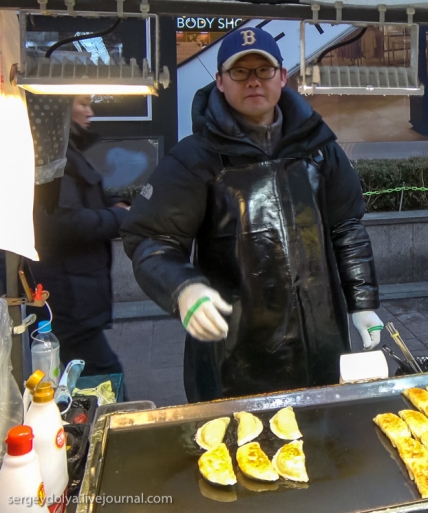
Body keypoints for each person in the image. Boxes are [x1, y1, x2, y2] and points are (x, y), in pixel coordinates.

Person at [120, 27, 384, 402]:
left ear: (282, 76)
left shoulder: (320, 149)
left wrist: (363, 302)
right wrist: (183, 288)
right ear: (220, 82)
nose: (253, 81)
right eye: (240, 72)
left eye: (263, 70)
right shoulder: (195, 158)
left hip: (321, 344)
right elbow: (151, 238)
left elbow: (346, 227)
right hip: (233, 357)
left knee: (324, 443)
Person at [29, 95, 129, 381]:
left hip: (75, 296)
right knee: (104, 377)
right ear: (61, 107)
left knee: (85, 378)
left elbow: (81, 204)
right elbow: (63, 221)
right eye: (83, 103)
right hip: (68, 301)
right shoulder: (53, 158)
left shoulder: (63, 152)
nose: (90, 112)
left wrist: (114, 203)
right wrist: (121, 217)